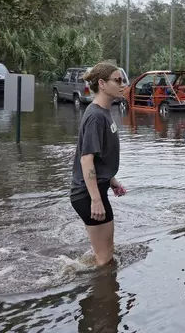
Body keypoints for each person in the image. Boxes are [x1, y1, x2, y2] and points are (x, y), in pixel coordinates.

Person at [70, 62, 127, 266]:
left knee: (104, 254)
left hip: (96, 190)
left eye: (123, 80)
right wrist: (95, 199)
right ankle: (102, 296)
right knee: (105, 259)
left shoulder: (103, 112)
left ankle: (95, 286)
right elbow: (86, 159)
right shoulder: (95, 116)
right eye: (118, 80)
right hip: (87, 195)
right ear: (102, 83)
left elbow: (100, 157)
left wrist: (111, 180)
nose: (123, 85)